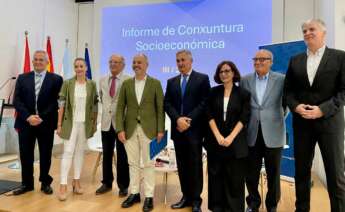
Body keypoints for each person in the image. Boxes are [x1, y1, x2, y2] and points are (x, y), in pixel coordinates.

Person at [283, 19, 345, 212]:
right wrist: (296, 106)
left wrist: (322, 110)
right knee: (301, 172)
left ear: (323, 33)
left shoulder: (340, 57)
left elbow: (343, 92)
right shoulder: (295, 60)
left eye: (312, 29)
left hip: (330, 124)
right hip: (302, 124)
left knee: (335, 174)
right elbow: (288, 92)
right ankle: (301, 209)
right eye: (304, 30)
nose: (307, 33)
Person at [116, 54, 165, 212]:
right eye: (134, 62)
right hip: (129, 130)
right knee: (133, 163)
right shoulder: (126, 83)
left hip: (150, 131)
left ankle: (149, 196)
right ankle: (135, 193)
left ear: (146, 65)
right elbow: (120, 108)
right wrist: (120, 129)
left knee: (149, 164)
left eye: (139, 62)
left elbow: (160, 109)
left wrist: (160, 130)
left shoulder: (155, 83)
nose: (136, 65)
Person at [164, 50, 210, 212]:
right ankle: (186, 197)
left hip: (195, 130)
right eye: (178, 61)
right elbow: (167, 103)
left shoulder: (202, 79)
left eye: (183, 60)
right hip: (178, 130)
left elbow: (205, 103)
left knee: (195, 166)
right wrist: (178, 119)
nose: (180, 63)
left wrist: (187, 120)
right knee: (182, 166)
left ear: (191, 61)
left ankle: (196, 200)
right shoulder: (171, 81)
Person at [13, 50, 63, 195]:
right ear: (33, 61)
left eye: (41, 60)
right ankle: (26, 184)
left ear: (47, 62)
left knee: (45, 154)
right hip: (25, 123)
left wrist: (40, 116)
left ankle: (45, 183)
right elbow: (17, 100)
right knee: (25, 154)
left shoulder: (56, 79)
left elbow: (56, 102)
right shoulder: (22, 78)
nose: (38, 62)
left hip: (45, 123)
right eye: (35, 59)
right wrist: (28, 117)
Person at [241, 50, 286, 212]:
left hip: (274, 132)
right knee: (251, 173)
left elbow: (285, 105)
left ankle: (272, 205)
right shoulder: (245, 80)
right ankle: (253, 204)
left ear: (271, 62)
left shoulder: (281, 80)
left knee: (273, 173)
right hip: (251, 133)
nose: (258, 62)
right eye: (255, 59)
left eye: (262, 59)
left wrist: (273, 119)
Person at [205, 60, 250, 212]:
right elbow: (209, 114)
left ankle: (234, 208)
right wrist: (217, 135)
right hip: (215, 142)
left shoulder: (243, 93)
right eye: (221, 72)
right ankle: (217, 207)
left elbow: (244, 118)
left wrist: (231, 137)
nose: (224, 74)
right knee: (216, 176)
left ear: (234, 73)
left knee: (235, 178)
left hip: (235, 142)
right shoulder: (213, 92)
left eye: (227, 71)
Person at [56, 58, 98, 201]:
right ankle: (63, 185)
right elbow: (61, 104)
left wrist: (93, 123)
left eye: (81, 66)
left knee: (80, 152)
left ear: (86, 68)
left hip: (84, 124)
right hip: (70, 123)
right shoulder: (68, 83)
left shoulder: (92, 84)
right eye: (76, 66)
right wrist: (59, 124)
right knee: (68, 152)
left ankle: (76, 181)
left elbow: (95, 104)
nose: (79, 69)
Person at [95, 54, 130, 196]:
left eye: (116, 62)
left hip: (122, 124)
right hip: (106, 123)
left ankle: (123, 186)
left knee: (122, 156)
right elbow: (103, 99)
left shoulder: (129, 80)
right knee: (107, 154)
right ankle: (107, 183)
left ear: (123, 64)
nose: (113, 64)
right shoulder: (103, 80)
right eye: (110, 62)